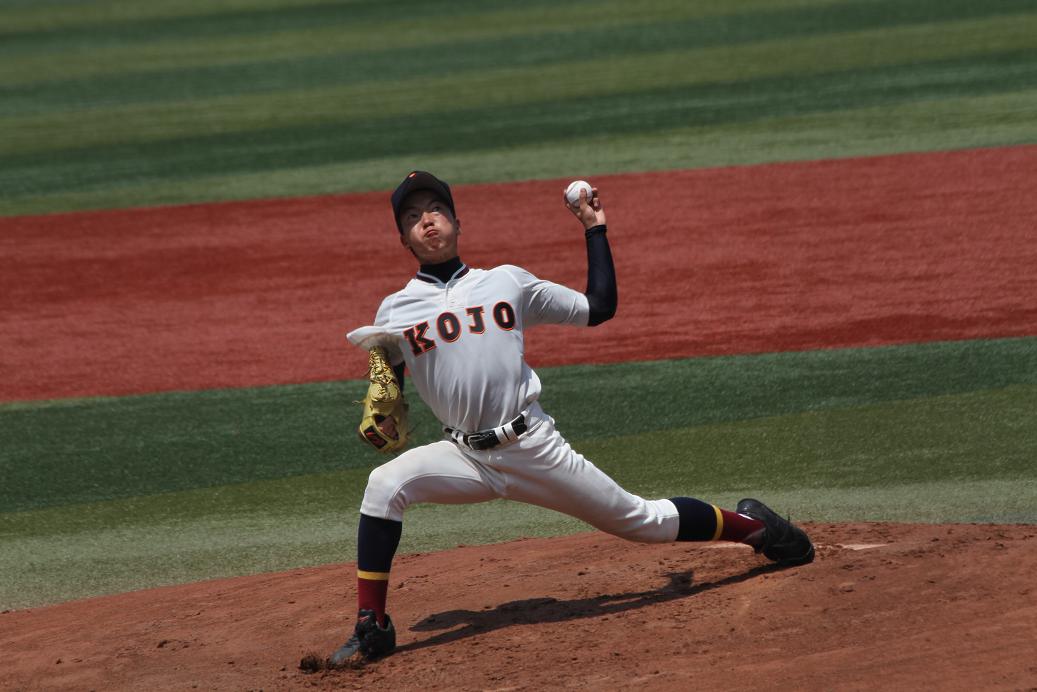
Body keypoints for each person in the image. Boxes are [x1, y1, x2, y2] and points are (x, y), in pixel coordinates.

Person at [330, 171, 814, 666]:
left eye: (434, 209)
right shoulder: (393, 310)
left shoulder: (506, 282)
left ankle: (754, 528)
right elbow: (386, 382)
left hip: (532, 446)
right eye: (411, 217)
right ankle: (373, 626)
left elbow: (599, 307)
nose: (425, 221)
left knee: (640, 521)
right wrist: (383, 413)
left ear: (456, 220)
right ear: (402, 238)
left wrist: (594, 227)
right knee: (384, 486)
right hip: (463, 455)